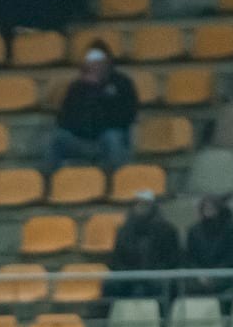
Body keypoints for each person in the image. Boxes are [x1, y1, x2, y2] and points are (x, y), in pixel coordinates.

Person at [44, 45, 138, 173]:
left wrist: (101, 95)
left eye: (98, 63)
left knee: (112, 137)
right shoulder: (77, 87)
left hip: (106, 138)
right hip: (81, 140)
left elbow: (126, 116)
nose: (95, 67)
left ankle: (117, 181)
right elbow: (64, 119)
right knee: (58, 138)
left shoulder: (122, 84)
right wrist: (88, 92)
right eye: (91, 63)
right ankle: (48, 181)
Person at [108, 190, 182, 305]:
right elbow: (117, 259)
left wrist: (154, 274)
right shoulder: (123, 231)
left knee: (164, 287)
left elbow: (173, 258)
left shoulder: (167, 230)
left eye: (145, 204)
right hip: (130, 275)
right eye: (139, 204)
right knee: (111, 286)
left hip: (158, 275)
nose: (141, 207)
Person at [185, 195, 233, 298]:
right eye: (205, 208)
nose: (208, 210)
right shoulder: (194, 231)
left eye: (211, 208)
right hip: (200, 275)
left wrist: (216, 273)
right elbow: (190, 257)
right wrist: (200, 273)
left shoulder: (232, 230)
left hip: (225, 274)